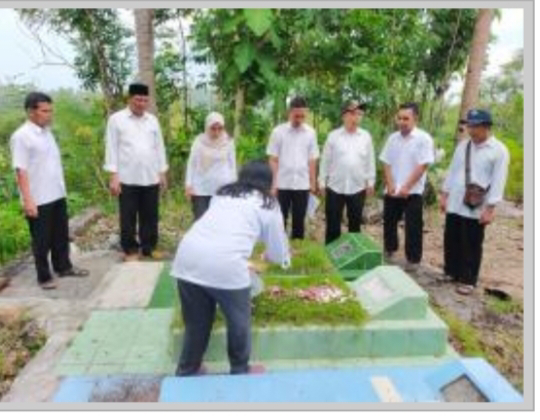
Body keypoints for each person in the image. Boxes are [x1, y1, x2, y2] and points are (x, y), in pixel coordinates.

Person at [170, 160, 291, 376]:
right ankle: (239, 369)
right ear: (268, 182)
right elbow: (278, 252)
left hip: (187, 258)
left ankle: (188, 369)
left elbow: (223, 229)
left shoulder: (223, 193)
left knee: (197, 323)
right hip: (226, 266)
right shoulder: (268, 203)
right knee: (239, 321)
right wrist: (270, 256)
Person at [10, 92, 89, 290]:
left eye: (51, 111)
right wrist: (28, 200)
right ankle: (44, 277)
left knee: (61, 235)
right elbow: (21, 170)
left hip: (56, 193)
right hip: (38, 198)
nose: (49, 115)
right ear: (31, 112)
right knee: (41, 240)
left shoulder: (47, 133)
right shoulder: (21, 137)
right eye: (45, 111)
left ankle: (64, 267)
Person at [440, 109, 509, 295]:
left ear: (486, 126)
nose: (470, 129)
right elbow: (452, 170)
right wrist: (444, 194)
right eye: (469, 125)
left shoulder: (499, 151)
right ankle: (451, 271)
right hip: (455, 199)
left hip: (476, 205)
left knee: (471, 242)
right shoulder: (463, 146)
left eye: (474, 125)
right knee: (451, 238)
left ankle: (468, 279)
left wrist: (490, 208)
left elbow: (498, 180)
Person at [103, 83, 169, 261]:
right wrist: (113, 176)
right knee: (128, 216)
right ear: (130, 99)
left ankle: (149, 248)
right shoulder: (117, 119)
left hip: (150, 176)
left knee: (150, 215)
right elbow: (111, 148)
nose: (142, 103)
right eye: (138, 99)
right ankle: (130, 250)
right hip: (127, 177)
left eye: (145, 100)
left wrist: (162, 171)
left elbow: (159, 147)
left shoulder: (152, 120)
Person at [379, 102, 435, 272]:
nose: (402, 121)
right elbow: (386, 162)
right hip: (393, 190)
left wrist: (406, 186)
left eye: (406, 118)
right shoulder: (392, 138)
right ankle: (389, 250)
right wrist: (390, 184)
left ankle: (413, 259)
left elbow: (423, 165)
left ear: (415, 118)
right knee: (389, 222)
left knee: (413, 226)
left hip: (413, 191)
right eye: (399, 118)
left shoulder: (423, 138)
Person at [318, 100, 376, 244]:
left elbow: (370, 161)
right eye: (353, 113)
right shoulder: (333, 136)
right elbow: (325, 160)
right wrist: (321, 181)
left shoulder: (366, 137)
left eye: (359, 114)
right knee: (332, 224)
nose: (356, 117)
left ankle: (352, 257)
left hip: (358, 187)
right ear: (344, 115)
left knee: (355, 224)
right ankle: (330, 256)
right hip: (335, 187)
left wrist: (370, 182)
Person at [266, 96, 319, 239]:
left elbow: (312, 159)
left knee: (299, 221)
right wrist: (273, 184)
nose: (300, 119)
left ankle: (297, 250)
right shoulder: (278, 132)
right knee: (279, 220)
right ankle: (278, 250)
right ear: (289, 112)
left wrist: (313, 183)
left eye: (303, 116)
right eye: (297, 115)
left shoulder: (311, 133)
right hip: (282, 183)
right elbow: (273, 159)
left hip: (302, 184)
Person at [185, 112, 237, 221]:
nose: (216, 132)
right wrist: (188, 185)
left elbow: (232, 165)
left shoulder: (228, 142)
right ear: (207, 127)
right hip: (200, 188)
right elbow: (192, 163)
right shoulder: (199, 142)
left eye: (220, 128)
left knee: (220, 222)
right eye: (213, 128)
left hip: (222, 188)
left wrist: (234, 187)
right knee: (201, 221)